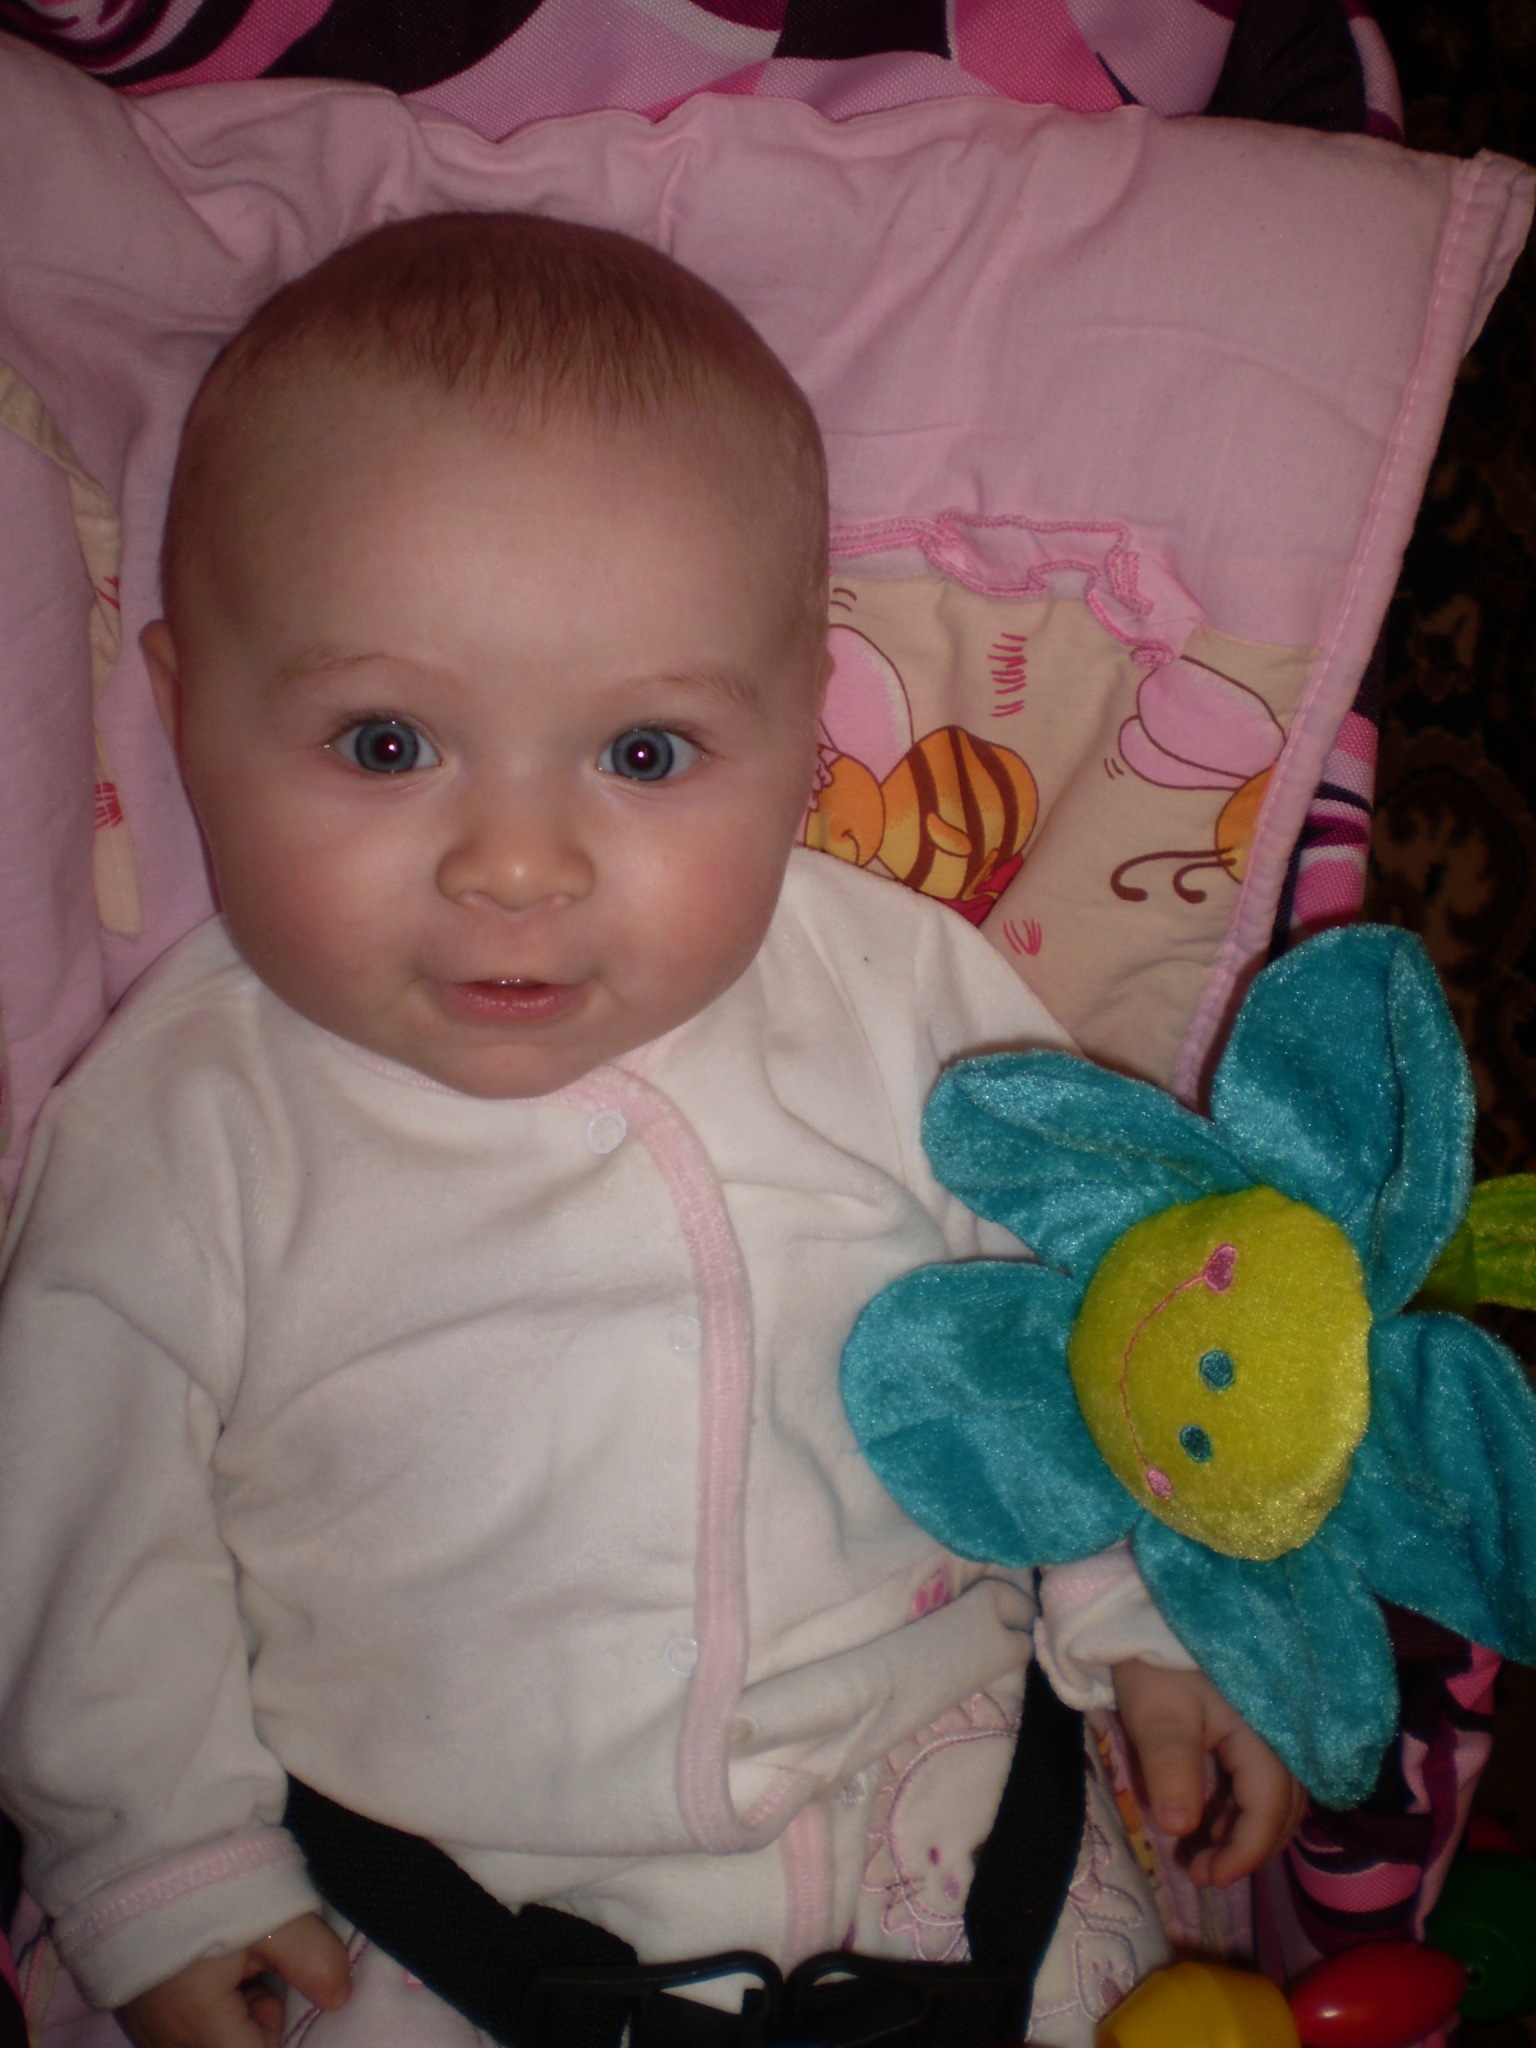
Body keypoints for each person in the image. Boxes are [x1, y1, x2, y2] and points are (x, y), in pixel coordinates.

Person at [0, 212, 1303, 2048]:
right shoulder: (184, 1122)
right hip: (413, 1896)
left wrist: (1160, 1626)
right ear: (182, 708)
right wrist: (159, 1864)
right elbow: (82, 1536)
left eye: (644, 755)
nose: (514, 866)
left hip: (941, 1825)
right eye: (385, 745)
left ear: (798, 736)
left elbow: (1089, 1321)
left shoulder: (901, 1001)